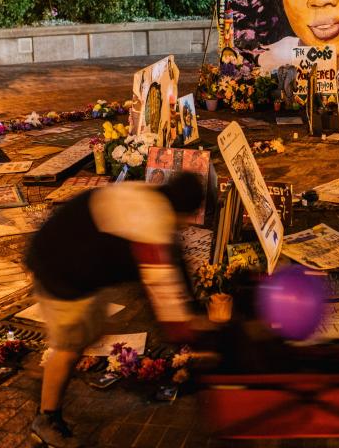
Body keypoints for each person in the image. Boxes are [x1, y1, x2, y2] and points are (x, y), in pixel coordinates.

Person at [25, 173, 206, 448]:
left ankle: (50, 374)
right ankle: (46, 420)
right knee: (70, 345)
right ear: (185, 212)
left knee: (92, 328)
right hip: (58, 268)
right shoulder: (153, 228)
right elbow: (167, 305)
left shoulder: (152, 196)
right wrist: (197, 334)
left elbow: (174, 269)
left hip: (66, 255)